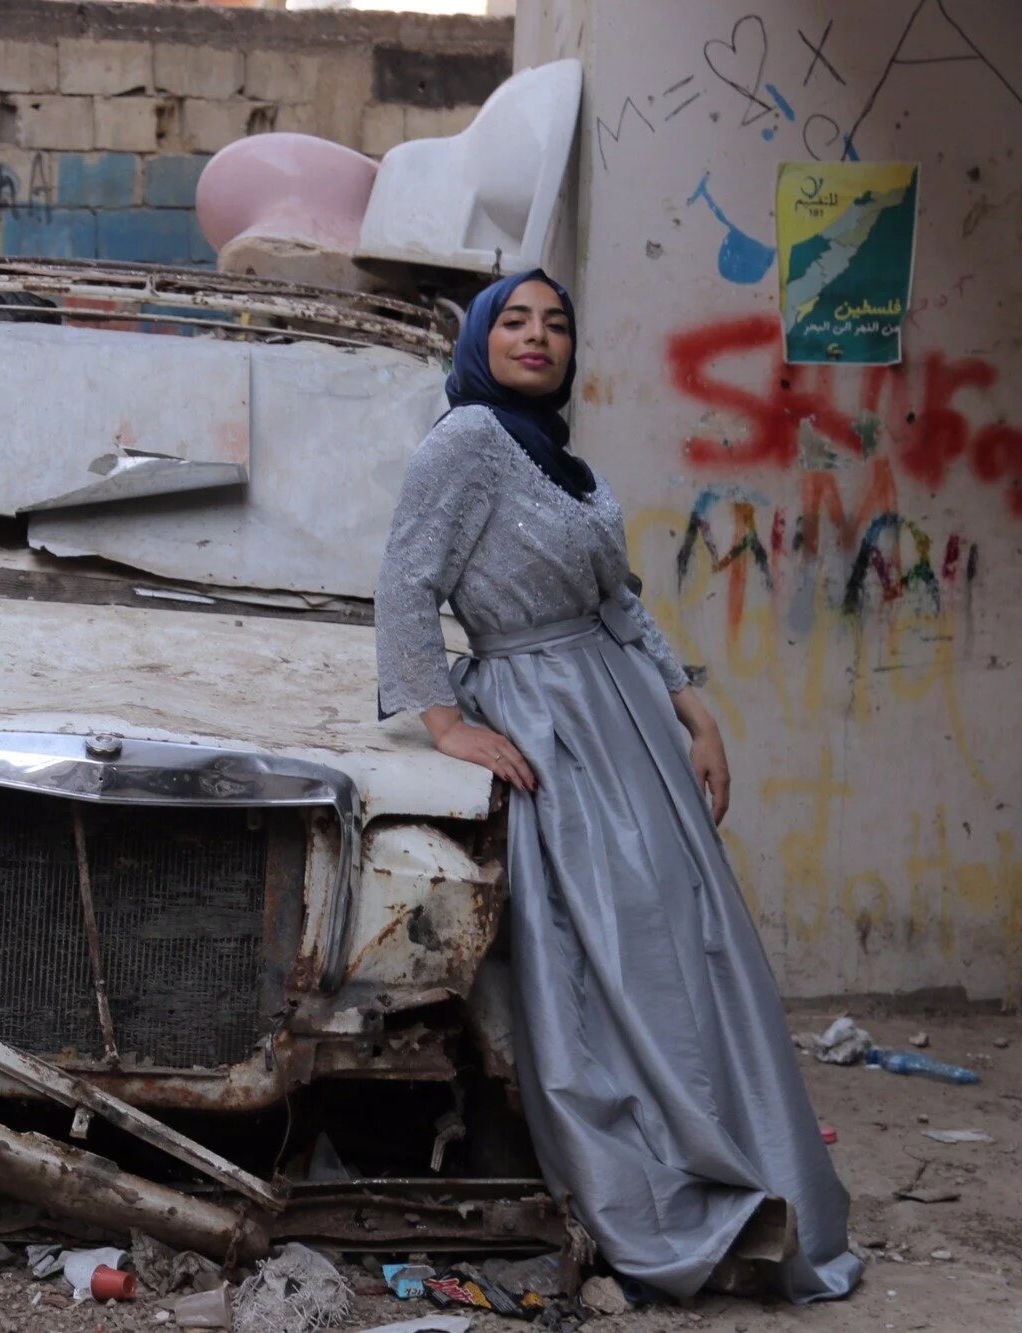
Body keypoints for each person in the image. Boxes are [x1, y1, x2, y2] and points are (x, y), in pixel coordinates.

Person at [374, 269, 861, 1303]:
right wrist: (447, 721)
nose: (536, 336)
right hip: (547, 720)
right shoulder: (464, 441)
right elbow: (406, 582)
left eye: (555, 323)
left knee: (689, 939)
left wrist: (692, 706)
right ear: (478, 339)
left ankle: (750, 1167)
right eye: (513, 320)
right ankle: (665, 1190)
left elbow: (619, 603)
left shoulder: (563, 460)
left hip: (626, 720)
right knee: (610, 954)